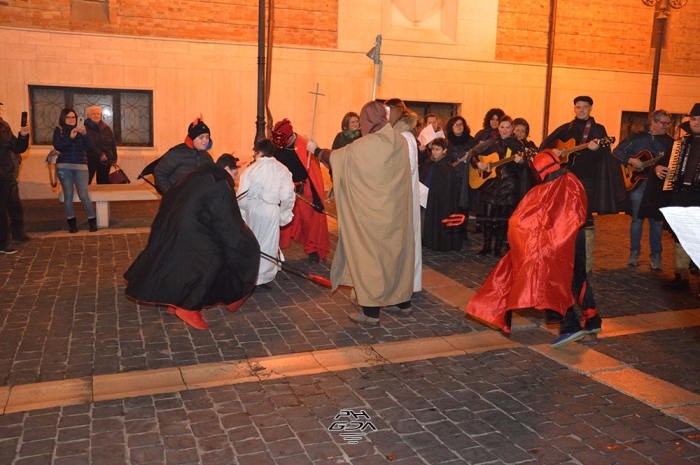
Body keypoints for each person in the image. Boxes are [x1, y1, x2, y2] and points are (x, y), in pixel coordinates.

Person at [466, 149, 601, 349]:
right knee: (577, 276)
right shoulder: (571, 180)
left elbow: (524, 220)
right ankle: (592, 320)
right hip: (575, 236)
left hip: (554, 245)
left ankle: (570, 325)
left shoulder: (542, 189)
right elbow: (576, 212)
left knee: (553, 281)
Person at [308, 100, 414, 326]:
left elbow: (337, 158)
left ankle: (371, 312)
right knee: (394, 256)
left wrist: (316, 150)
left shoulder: (367, 145)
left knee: (370, 259)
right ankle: (402, 302)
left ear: (368, 120)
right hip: (394, 213)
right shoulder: (398, 140)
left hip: (371, 215)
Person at [124, 154, 260, 330]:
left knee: (180, 261)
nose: (234, 179)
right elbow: (228, 222)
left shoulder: (201, 171)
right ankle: (188, 307)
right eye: (235, 174)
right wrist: (247, 242)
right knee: (211, 261)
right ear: (227, 169)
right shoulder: (222, 182)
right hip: (189, 225)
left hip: (170, 219)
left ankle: (174, 303)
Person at [541, 96, 622, 273]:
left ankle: (586, 263)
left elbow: (603, 157)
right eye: (578, 107)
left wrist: (597, 149)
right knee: (564, 215)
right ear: (574, 108)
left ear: (590, 108)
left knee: (585, 217)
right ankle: (564, 257)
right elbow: (544, 146)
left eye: (585, 107)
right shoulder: (566, 128)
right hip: (566, 177)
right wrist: (553, 151)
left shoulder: (598, 130)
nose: (581, 110)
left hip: (588, 179)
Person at [613, 109, 673, 270]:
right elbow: (617, 151)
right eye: (663, 123)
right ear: (653, 122)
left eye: (668, 124)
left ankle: (656, 256)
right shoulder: (636, 138)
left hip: (656, 186)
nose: (666, 127)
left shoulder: (670, 142)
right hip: (638, 184)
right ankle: (634, 253)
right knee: (637, 220)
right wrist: (631, 160)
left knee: (655, 221)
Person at [653, 103, 700, 294]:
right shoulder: (680, 143)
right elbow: (663, 162)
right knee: (679, 236)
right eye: (694, 119)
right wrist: (657, 168)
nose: (697, 122)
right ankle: (681, 276)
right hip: (680, 194)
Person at [237, 139, 295, 287]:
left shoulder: (251, 170)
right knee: (268, 243)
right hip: (271, 209)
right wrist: (284, 213)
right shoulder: (281, 169)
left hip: (253, 208)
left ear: (260, 152)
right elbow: (288, 193)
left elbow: (242, 194)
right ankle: (263, 276)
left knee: (253, 240)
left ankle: (252, 274)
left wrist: (243, 213)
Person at [271, 119, 330, 263]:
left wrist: (317, 199)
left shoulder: (303, 146)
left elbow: (313, 173)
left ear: (290, 136)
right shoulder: (277, 147)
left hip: (305, 190)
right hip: (286, 189)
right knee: (280, 219)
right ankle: (273, 251)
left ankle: (313, 250)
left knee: (308, 221)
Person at [471, 115, 528, 257]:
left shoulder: (517, 145)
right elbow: (473, 154)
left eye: (508, 127)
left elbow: (524, 167)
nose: (504, 130)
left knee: (503, 219)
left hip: (509, 185)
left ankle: (498, 247)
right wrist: (478, 163)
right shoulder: (491, 142)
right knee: (487, 217)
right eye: (502, 127)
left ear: (512, 129)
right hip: (492, 184)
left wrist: (520, 162)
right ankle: (486, 246)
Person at [52, 108, 98, 233]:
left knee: (83, 194)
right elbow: (58, 146)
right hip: (64, 166)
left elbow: (90, 148)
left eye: (74, 117)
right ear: (63, 119)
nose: (72, 120)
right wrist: (71, 138)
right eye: (69, 117)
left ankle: (92, 221)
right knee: (68, 195)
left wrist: (84, 134)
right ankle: (72, 223)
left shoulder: (82, 131)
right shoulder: (59, 130)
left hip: (81, 166)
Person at [394, 109, 422, 296]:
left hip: (405, 193)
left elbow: (409, 166)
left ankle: (409, 284)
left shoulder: (405, 137)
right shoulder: (403, 136)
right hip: (403, 192)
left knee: (409, 237)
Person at [419, 137, 461, 251]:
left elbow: (447, 188)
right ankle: (424, 240)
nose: (434, 152)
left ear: (444, 150)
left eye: (437, 149)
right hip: (424, 197)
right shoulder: (428, 163)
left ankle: (434, 241)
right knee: (423, 220)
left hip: (438, 200)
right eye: (433, 149)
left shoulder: (447, 167)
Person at [154, 115, 214, 194]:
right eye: (201, 137)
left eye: (207, 137)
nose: (205, 140)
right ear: (192, 139)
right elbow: (159, 173)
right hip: (176, 201)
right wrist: (170, 193)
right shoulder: (177, 153)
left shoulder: (207, 158)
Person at [0, 102, 30, 253]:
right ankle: (2, 242)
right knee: (1, 211)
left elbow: (17, 147)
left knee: (15, 206)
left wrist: (23, 135)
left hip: (7, 173)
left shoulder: (3, 125)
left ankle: (18, 233)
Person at [84, 105, 118, 184]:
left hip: (106, 160)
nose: (96, 115)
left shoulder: (106, 128)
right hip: (90, 159)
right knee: (86, 181)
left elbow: (113, 143)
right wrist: (100, 154)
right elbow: (88, 143)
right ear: (89, 115)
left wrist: (114, 157)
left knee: (104, 182)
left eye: (98, 113)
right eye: (93, 113)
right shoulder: (85, 128)